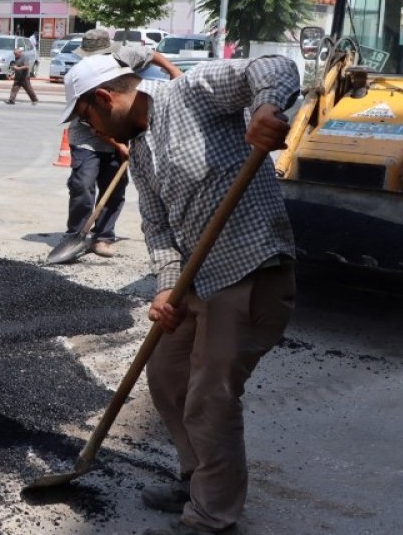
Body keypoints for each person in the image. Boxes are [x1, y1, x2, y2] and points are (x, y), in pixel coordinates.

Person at [62, 53, 299, 535]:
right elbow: (159, 229)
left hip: (249, 270)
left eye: (90, 118)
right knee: (167, 376)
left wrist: (265, 108)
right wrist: (166, 288)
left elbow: (272, 66)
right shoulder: (141, 152)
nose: (97, 135)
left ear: (105, 98)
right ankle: (197, 479)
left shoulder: (191, 93)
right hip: (196, 279)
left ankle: (211, 518)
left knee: (209, 398)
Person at [64, 28, 182, 257]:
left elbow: (151, 54)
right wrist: (119, 144)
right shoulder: (81, 77)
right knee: (82, 185)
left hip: (122, 129)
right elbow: (93, 123)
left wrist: (173, 70)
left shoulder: (123, 57)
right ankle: (75, 235)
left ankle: (103, 237)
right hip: (89, 138)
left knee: (114, 188)